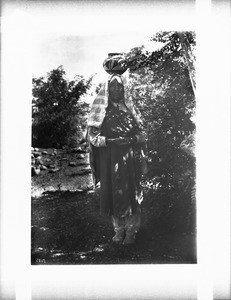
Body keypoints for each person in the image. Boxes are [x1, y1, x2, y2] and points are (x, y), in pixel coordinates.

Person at [87, 62, 147, 245]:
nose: (116, 89)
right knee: (114, 193)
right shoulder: (101, 111)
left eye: (119, 86)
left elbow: (143, 134)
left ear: (124, 89)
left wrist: (130, 140)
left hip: (130, 159)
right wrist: (111, 141)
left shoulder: (130, 109)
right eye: (112, 86)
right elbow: (93, 138)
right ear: (107, 88)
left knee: (131, 193)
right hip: (110, 159)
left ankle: (131, 232)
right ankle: (118, 231)